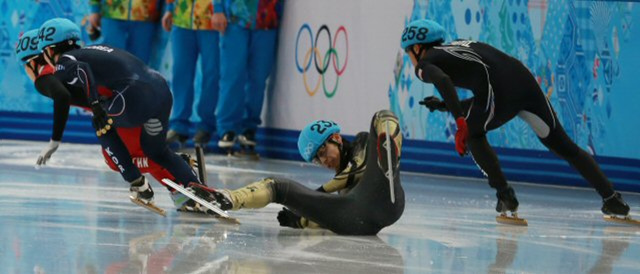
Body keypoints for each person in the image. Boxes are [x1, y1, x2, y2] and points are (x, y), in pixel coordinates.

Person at [401, 19, 630, 218]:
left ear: (418, 47)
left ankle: (505, 195)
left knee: (473, 133)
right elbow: (485, 92)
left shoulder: (425, 62)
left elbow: (443, 81)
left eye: (408, 52)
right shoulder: (460, 44)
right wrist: (445, 106)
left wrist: (460, 122)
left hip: (499, 89)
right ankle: (612, 199)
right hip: (524, 82)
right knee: (565, 147)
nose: (410, 58)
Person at [29, 18, 213, 213]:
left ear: (49, 51)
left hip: (133, 96)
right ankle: (199, 187)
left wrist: (95, 107)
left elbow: (82, 72)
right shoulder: (95, 49)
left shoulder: (65, 61)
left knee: (101, 124)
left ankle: (137, 183)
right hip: (160, 90)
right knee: (157, 152)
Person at [197, 110, 404, 235]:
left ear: (338, 139)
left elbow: (357, 169)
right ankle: (226, 199)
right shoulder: (339, 183)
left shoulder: (361, 142)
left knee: (381, 115)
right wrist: (302, 219)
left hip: (379, 193)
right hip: (356, 219)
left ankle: (388, 151)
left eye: (323, 151)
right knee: (278, 187)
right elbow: (328, 214)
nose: (325, 161)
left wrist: (318, 193)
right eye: (318, 159)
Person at [212, 0, 283, 154]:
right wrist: (217, 9)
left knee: (258, 79)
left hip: (267, 19)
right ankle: (227, 129)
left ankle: (249, 128)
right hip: (235, 18)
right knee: (232, 77)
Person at [163, 0, 220, 148]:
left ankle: (205, 126)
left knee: (211, 74)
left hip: (211, 21)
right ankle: (178, 126)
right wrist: (169, 8)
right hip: (182, 18)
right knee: (181, 74)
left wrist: (220, 10)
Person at [87, 0, 163, 63]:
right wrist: (95, 8)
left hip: (145, 14)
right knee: (111, 59)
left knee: (139, 64)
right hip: (112, 13)